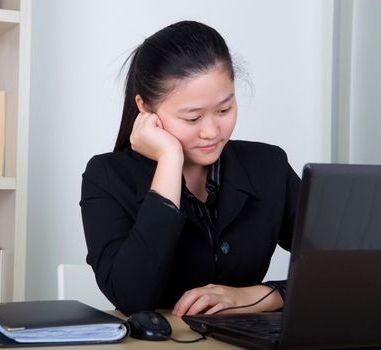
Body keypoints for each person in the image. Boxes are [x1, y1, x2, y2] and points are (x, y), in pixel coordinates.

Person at [80, 20, 300, 317]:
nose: (211, 131)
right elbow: (132, 297)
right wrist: (169, 160)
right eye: (192, 118)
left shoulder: (269, 166)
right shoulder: (106, 176)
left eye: (224, 110)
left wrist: (256, 296)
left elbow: (342, 269)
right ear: (145, 108)